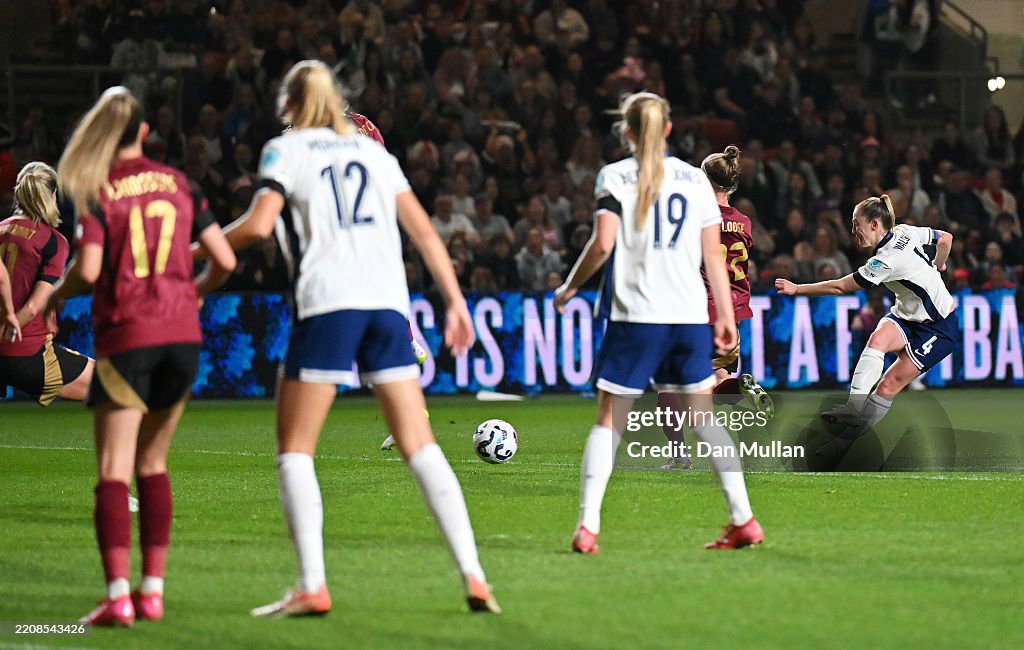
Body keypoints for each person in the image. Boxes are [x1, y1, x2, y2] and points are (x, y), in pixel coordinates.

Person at [216, 60, 499, 616]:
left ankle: (311, 585)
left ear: (292, 105)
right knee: (421, 446)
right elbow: (423, 230)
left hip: (328, 304)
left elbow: (254, 227)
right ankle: (475, 576)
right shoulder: (373, 152)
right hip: (387, 306)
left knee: (295, 451)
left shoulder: (286, 150)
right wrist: (455, 301)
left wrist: (195, 253)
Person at [50, 86, 236, 627]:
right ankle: (152, 592)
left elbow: (87, 270)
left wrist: (55, 299)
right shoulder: (182, 184)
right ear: (145, 133)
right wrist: (190, 294)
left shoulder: (98, 190)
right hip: (182, 337)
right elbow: (223, 258)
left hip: (129, 336)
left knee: (113, 472)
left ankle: (117, 599)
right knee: (153, 465)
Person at [554, 92, 763, 553]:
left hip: (637, 317)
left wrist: (569, 287)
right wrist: (725, 319)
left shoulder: (615, 176)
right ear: (668, 129)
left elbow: (603, 244)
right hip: (690, 317)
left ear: (626, 132)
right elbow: (713, 255)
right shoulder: (694, 179)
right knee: (704, 420)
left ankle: (588, 526)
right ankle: (744, 519)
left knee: (609, 421)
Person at [775, 195, 955, 456]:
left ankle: (843, 444)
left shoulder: (884, 261)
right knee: (877, 340)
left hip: (939, 327)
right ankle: (853, 406)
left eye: (855, 223)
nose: (853, 231)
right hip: (906, 316)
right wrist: (940, 263)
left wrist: (797, 289)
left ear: (873, 224)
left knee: (888, 385)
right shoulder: (904, 231)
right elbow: (945, 238)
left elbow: (840, 287)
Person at [658, 146, 775, 471]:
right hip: (732, 318)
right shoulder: (744, 222)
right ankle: (738, 387)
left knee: (669, 384)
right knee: (717, 374)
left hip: (698, 313)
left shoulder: (696, 219)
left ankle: (679, 455)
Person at [0, 163, 92, 406]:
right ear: (52, 196)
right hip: (24, 351)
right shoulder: (53, 241)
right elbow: (32, 308)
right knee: (109, 385)